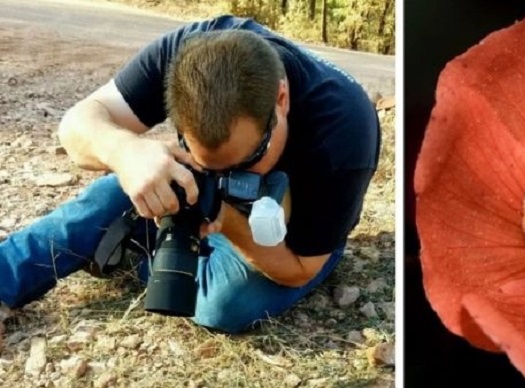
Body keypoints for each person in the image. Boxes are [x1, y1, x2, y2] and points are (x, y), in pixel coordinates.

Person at [0, 15, 381, 333]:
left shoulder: (343, 131)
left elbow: (301, 268)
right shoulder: (188, 58)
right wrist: (126, 151)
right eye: (205, 164)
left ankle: (136, 249)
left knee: (224, 307)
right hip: (224, 207)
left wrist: (228, 221)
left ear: (281, 101)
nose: (223, 178)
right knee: (108, 196)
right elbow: (75, 126)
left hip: (295, 228)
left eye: (247, 160)